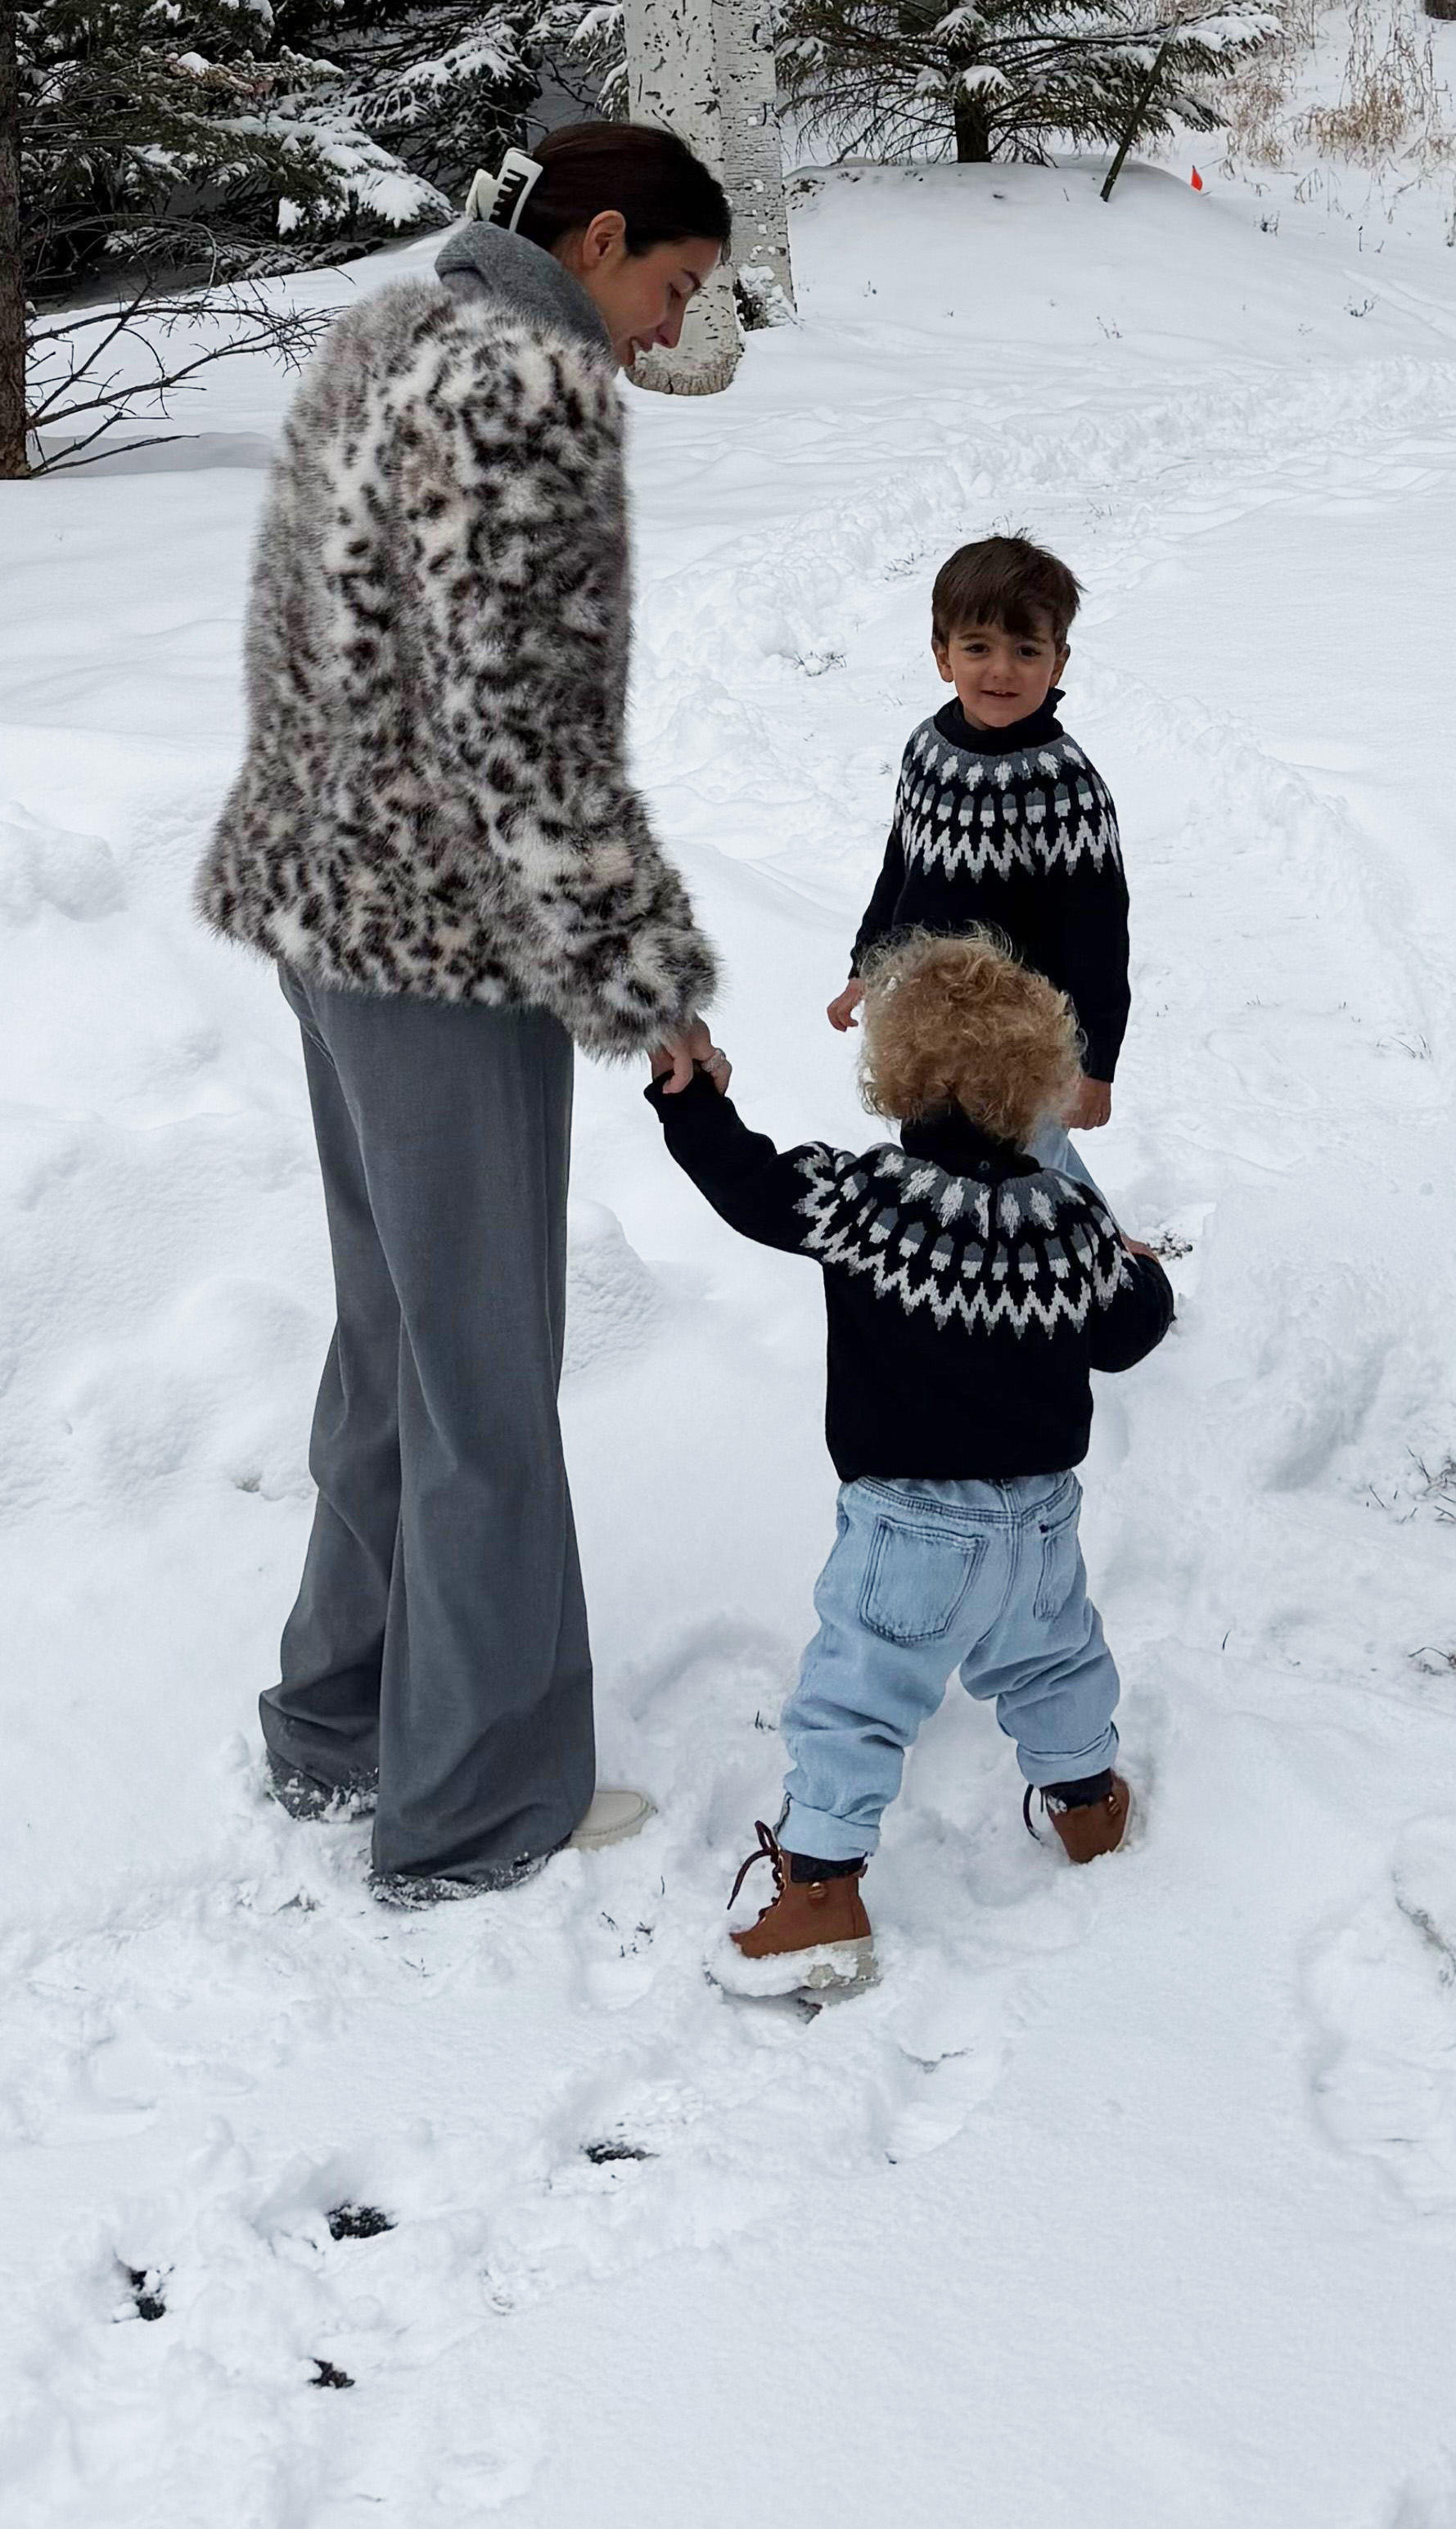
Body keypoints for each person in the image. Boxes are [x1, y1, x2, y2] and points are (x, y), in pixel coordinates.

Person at [197, 123, 727, 1904]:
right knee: (480, 1372)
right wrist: (643, 980)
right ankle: (478, 1800)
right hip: (441, 940)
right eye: (674, 287)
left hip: (327, 907)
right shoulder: (524, 389)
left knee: (398, 1342)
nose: (671, 332)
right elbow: (528, 735)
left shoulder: (390, 336)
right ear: (598, 238)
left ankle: (340, 1719)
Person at [651, 931, 1174, 1997]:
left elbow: (746, 1185)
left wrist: (693, 1100)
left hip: (910, 1533)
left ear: (897, 1073)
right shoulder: (1069, 1219)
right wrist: (1144, 1276)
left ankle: (819, 1894)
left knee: (856, 1700)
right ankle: (1088, 1806)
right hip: (1038, 1526)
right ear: (1037, 1080)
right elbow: (1128, 1332)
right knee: (1055, 1662)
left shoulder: (866, 1200)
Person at [827, 534, 1129, 1187]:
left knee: (1026, 1171)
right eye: (977, 647)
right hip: (929, 1030)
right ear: (942, 655)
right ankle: (1081, 1230)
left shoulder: (1064, 787)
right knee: (947, 1161)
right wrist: (865, 967)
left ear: (1057, 662)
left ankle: (1090, 1244)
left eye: (1026, 651)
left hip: (1021, 1043)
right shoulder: (926, 751)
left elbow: (1098, 933)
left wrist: (1095, 1062)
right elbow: (901, 867)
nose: (1001, 670)